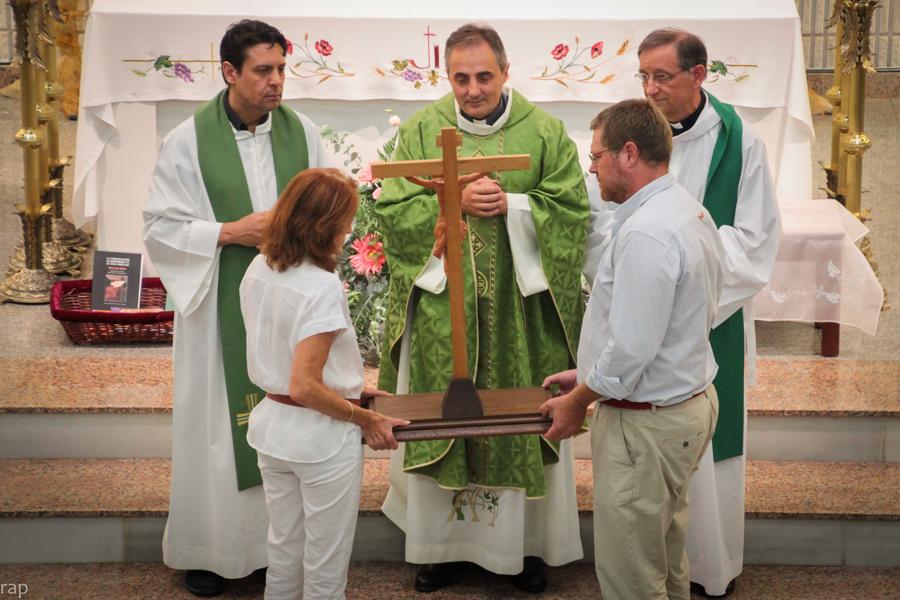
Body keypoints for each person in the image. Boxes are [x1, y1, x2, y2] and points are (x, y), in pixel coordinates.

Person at [376, 22, 589, 594]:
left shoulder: (544, 132)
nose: (472, 90)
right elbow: (394, 210)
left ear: (506, 71)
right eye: (461, 78)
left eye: (484, 77)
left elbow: (571, 213)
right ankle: (440, 549)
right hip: (447, 316)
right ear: (447, 76)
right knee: (445, 419)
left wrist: (517, 206)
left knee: (515, 419)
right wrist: (452, 201)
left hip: (520, 320)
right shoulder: (424, 129)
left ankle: (525, 548)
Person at [142, 19, 328, 597]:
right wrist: (227, 231)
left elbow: (326, 206)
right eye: (262, 71)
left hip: (286, 306)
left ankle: (282, 555)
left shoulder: (305, 134)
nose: (276, 83)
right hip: (217, 303)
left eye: (281, 70)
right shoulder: (188, 142)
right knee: (217, 428)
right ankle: (214, 550)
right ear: (229, 72)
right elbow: (160, 226)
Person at [542, 98, 726, 600]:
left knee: (631, 576)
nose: (591, 168)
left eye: (596, 156)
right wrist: (586, 373)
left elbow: (633, 348)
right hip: (681, 404)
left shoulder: (647, 231)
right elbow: (662, 326)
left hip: (646, 424)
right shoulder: (684, 208)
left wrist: (579, 400)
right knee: (664, 556)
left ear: (628, 153)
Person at [637, 28, 781, 598]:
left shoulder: (740, 143)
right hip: (646, 313)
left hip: (709, 318)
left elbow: (755, 239)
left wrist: (688, 292)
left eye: (662, 77)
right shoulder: (632, 133)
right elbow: (608, 216)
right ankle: (649, 569)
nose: (650, 89)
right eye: (644, 76)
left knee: (710, 449)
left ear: (698, 76)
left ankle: (707, 569)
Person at [239, 168, 408, 600]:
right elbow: (305, 386)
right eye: (346, 220)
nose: (351, 229)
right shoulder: (319, 285)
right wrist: (364, 417)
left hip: (273, 427)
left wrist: (355, 390)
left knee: (284, 550)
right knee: (324, 565)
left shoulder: (259, 266)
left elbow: (286, 363)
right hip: (320, 439)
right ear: (323, 226)